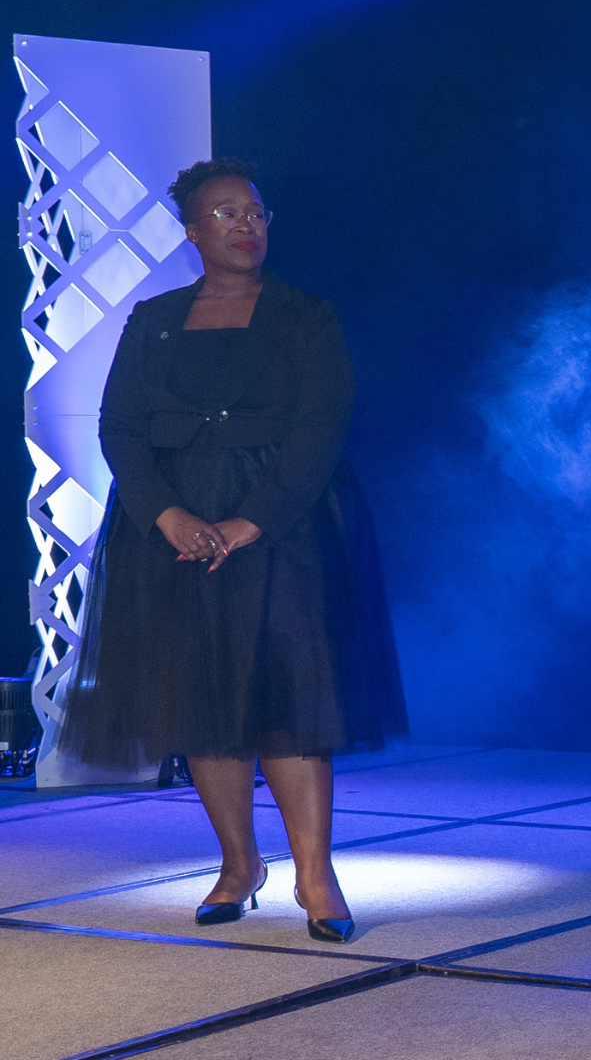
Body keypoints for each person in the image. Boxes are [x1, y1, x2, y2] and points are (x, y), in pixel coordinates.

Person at [57, 160, 406, 945]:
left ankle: (315, 876)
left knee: (290, 702)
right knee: (203, 698)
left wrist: (255, 520)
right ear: (191, 231)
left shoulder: (306, 316)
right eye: (226, 214)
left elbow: (323, 427)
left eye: (255, 212)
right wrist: (167, 515)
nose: (247, 225)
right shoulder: (153, 319)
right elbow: (120, 427)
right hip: (176, 531)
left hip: (281, 527)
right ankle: (238, 866)